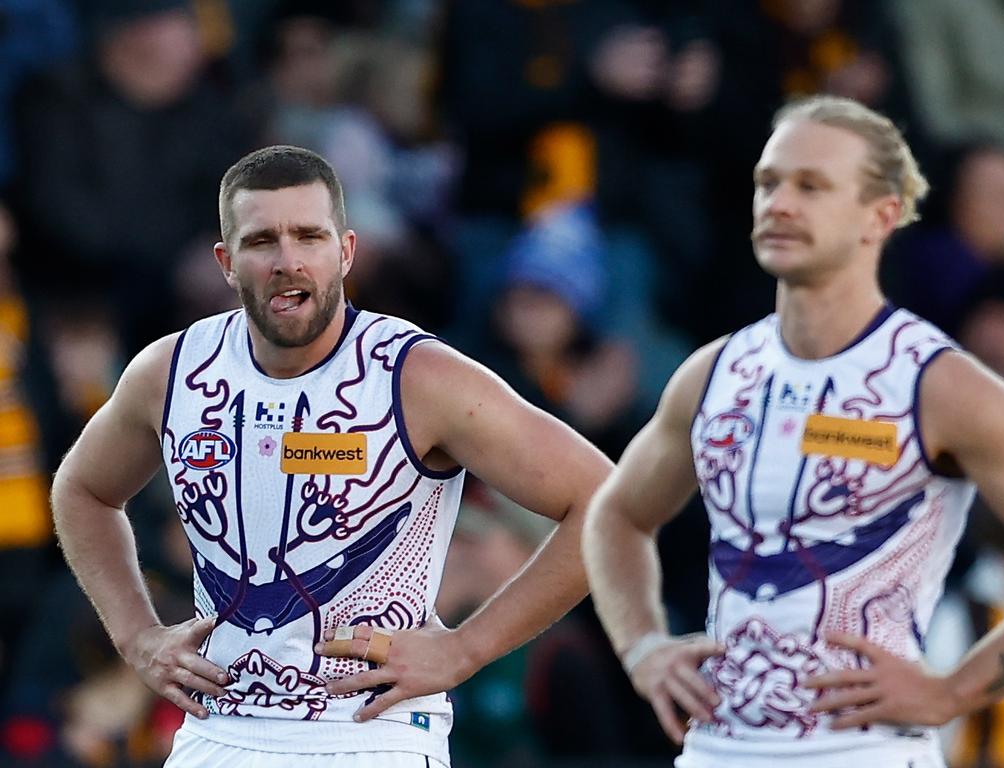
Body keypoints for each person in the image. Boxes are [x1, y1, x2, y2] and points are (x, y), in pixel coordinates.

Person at [50, 144, 611, 767]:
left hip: (369, 735)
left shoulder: (415, 374)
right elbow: (82, 490)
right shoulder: (170, 370)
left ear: (345, 251)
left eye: (309, 236)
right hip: (218, 736)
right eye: (262, 241)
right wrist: (136, 636)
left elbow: (605, 502)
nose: (288, 262)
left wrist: (467, 648)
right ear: (226, 262)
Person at [582, 94, 1004, 768]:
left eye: (811, 186)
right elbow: (616, 515)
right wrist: (642, 647)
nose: (779, 203)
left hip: (862, 751)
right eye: (768, 183)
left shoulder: (940, 384)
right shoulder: (715, 371)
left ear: (881, 215)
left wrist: (952, 691)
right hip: (716, 749)